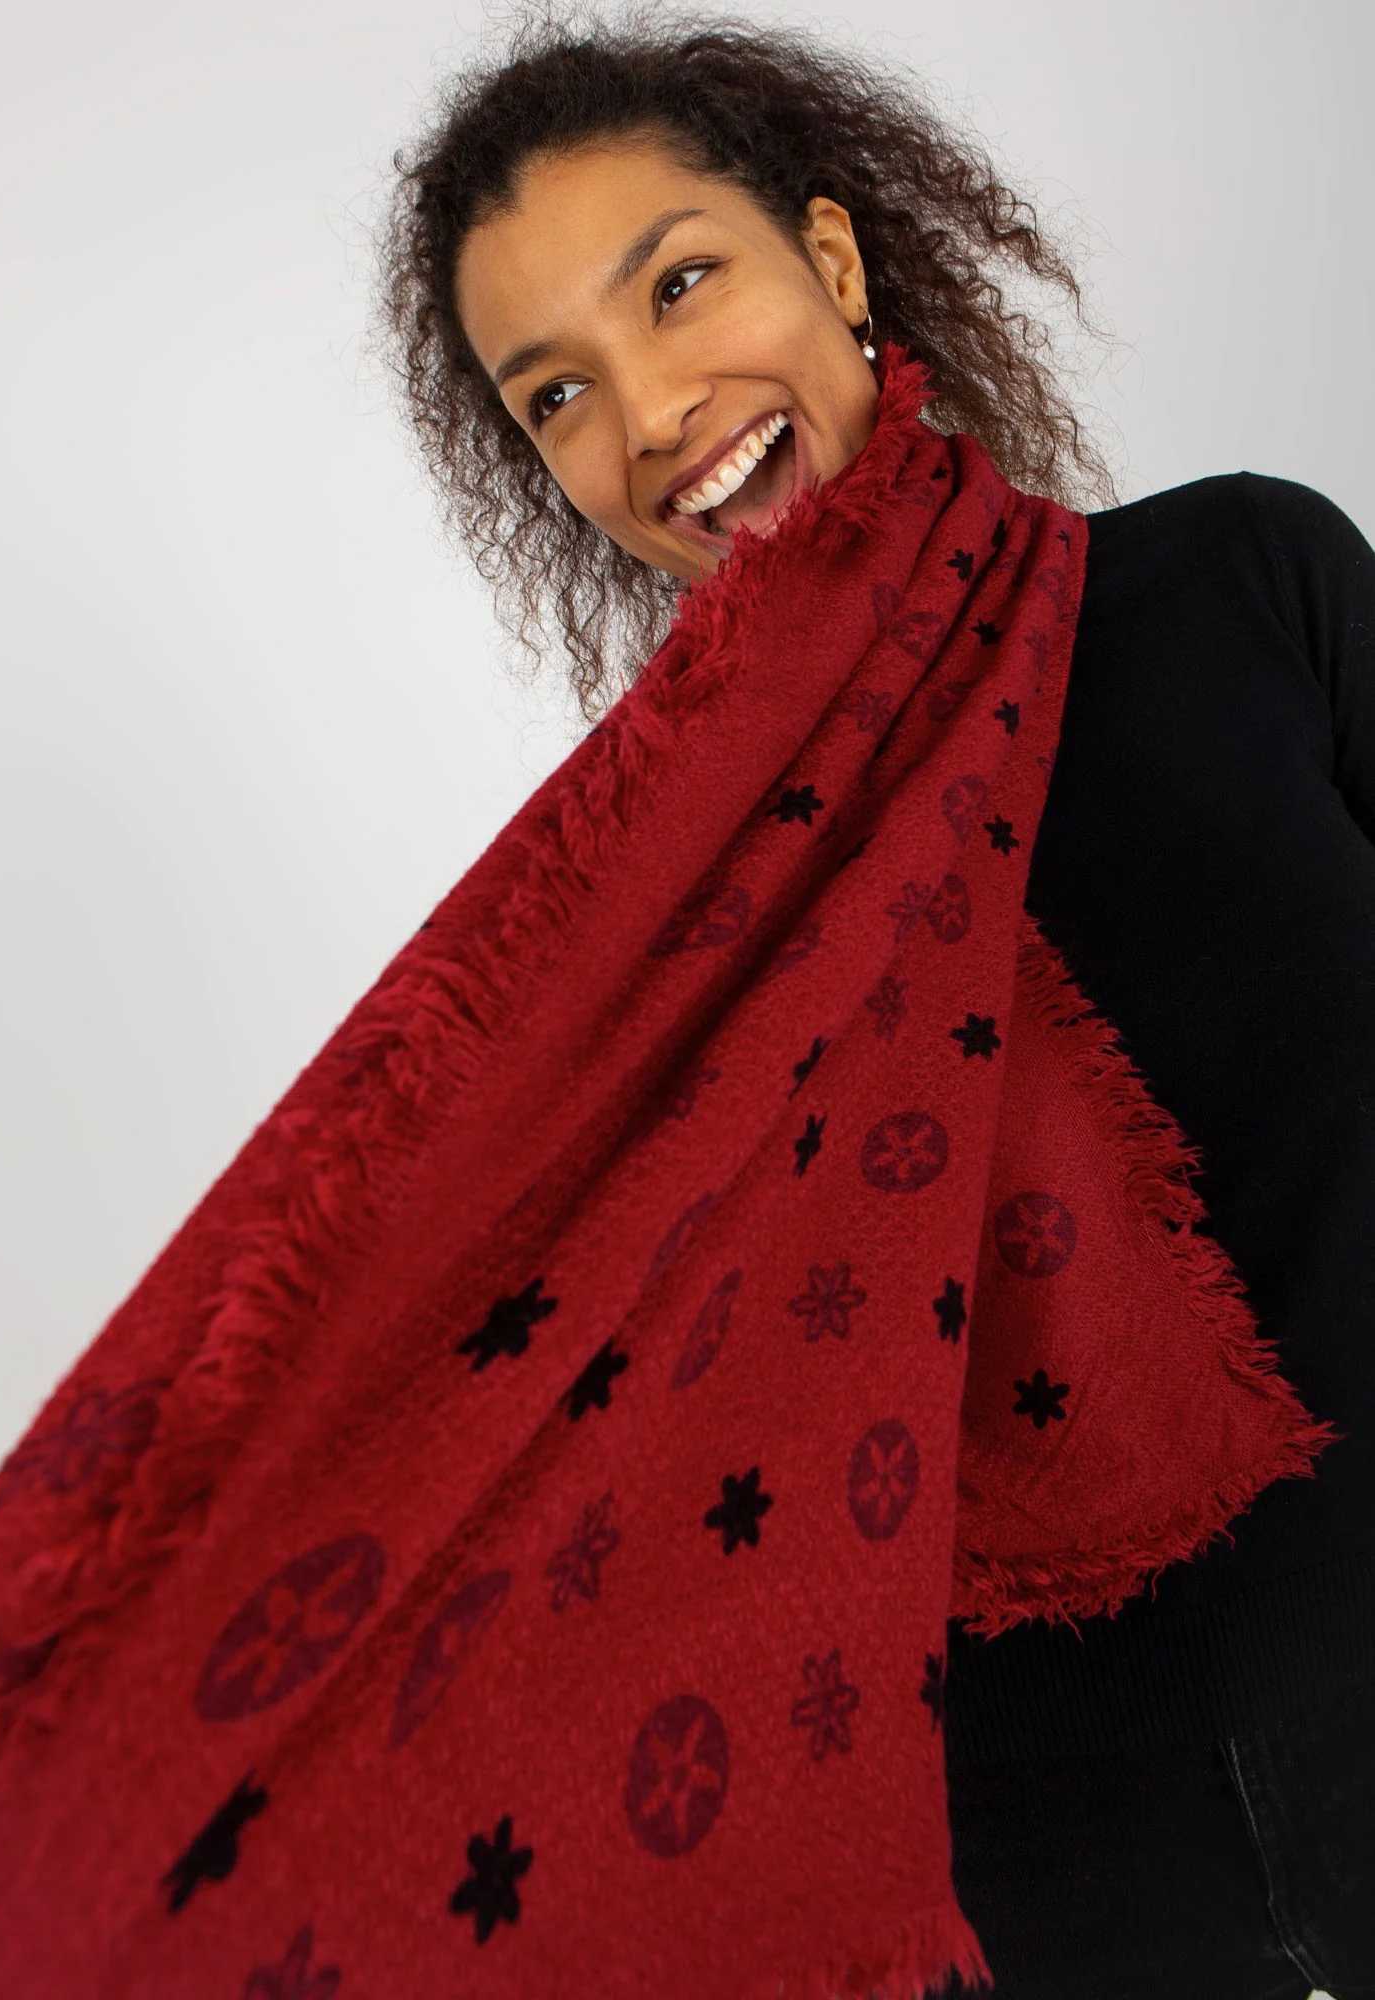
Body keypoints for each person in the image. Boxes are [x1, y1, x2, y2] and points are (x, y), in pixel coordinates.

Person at [377, 11, 1375, 1998]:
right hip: (1037, 1880)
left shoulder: (1246, 584)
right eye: (556, 390)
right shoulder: (655, 921)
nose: (653, 407)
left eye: (678, 284)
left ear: (831, 260)